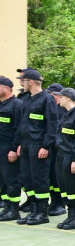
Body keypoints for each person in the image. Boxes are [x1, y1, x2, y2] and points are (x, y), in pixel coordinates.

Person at [14, 68, 59, 226]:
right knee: (28, 179)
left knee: (40, 178)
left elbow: (52, 125)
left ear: (31, 82)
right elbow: (22, 124)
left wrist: (46, 146)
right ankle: (33, 209)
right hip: (26, 144)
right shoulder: (27, 98)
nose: (21, 83)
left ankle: (41, 212)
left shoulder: (47, 99)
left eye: (23, 80)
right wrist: (20, 144)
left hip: (39, 145)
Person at [53, 87, 75, 231]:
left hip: (70, 157)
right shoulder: (66, 114)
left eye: (60, 96)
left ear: (68, 98)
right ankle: (71, 215)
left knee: (74, 188)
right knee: (65, 188)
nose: (58, 99)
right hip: (61, 155)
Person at [0, 76, 24, 222]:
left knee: (11, 179)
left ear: (6, 88)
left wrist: (14, 149)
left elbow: (19, 129)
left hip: (9, 148)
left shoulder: (17, 105)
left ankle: (14, 209)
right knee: (2, 179)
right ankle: (7, 206)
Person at [45, 82, 67, 218]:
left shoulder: (64, 109)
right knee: (52, 178)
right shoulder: (53, 108)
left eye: (53, 95)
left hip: (61, 149)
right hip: (52, 147)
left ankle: (60, 204)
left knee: (58, 178)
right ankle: (54, 202)